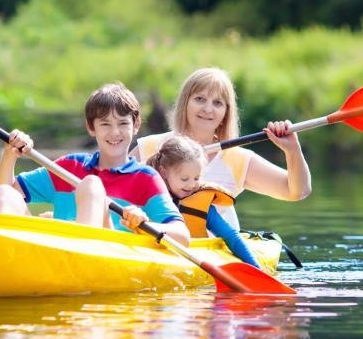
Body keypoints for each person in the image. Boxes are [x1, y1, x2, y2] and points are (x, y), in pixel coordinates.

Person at [0, 82, 190, 245]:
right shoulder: (69, 166)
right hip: (53, 256)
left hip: (104, 258)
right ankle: (6, 257)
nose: (114, 133)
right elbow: (0, 196)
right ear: (91, 127)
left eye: (123, 124)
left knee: (91, 185)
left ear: (136, 125)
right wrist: (10, 154)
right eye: (105, 124)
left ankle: (80, 252)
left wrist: (144, 223)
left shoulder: (146, 178)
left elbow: (182, 236)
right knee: (5, 193)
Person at [131, 68, 311, 228]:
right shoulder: (151, 147)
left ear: (226, 113)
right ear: (185, 103)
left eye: (218, 103)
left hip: (215, 251)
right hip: (156, 242)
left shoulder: (237, 159)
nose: (208, 109)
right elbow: (109, 182)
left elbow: (297, 191)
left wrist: (292, 150)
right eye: (200, 99)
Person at [147, 135, 262, 268]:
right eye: (184, 179)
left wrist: (256, 268)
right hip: (151, 254)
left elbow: (230, 236)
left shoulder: (201, 204)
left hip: (191, 260)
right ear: (163, 172)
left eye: (196, 178)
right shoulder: (147, 196)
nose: (191, 185)